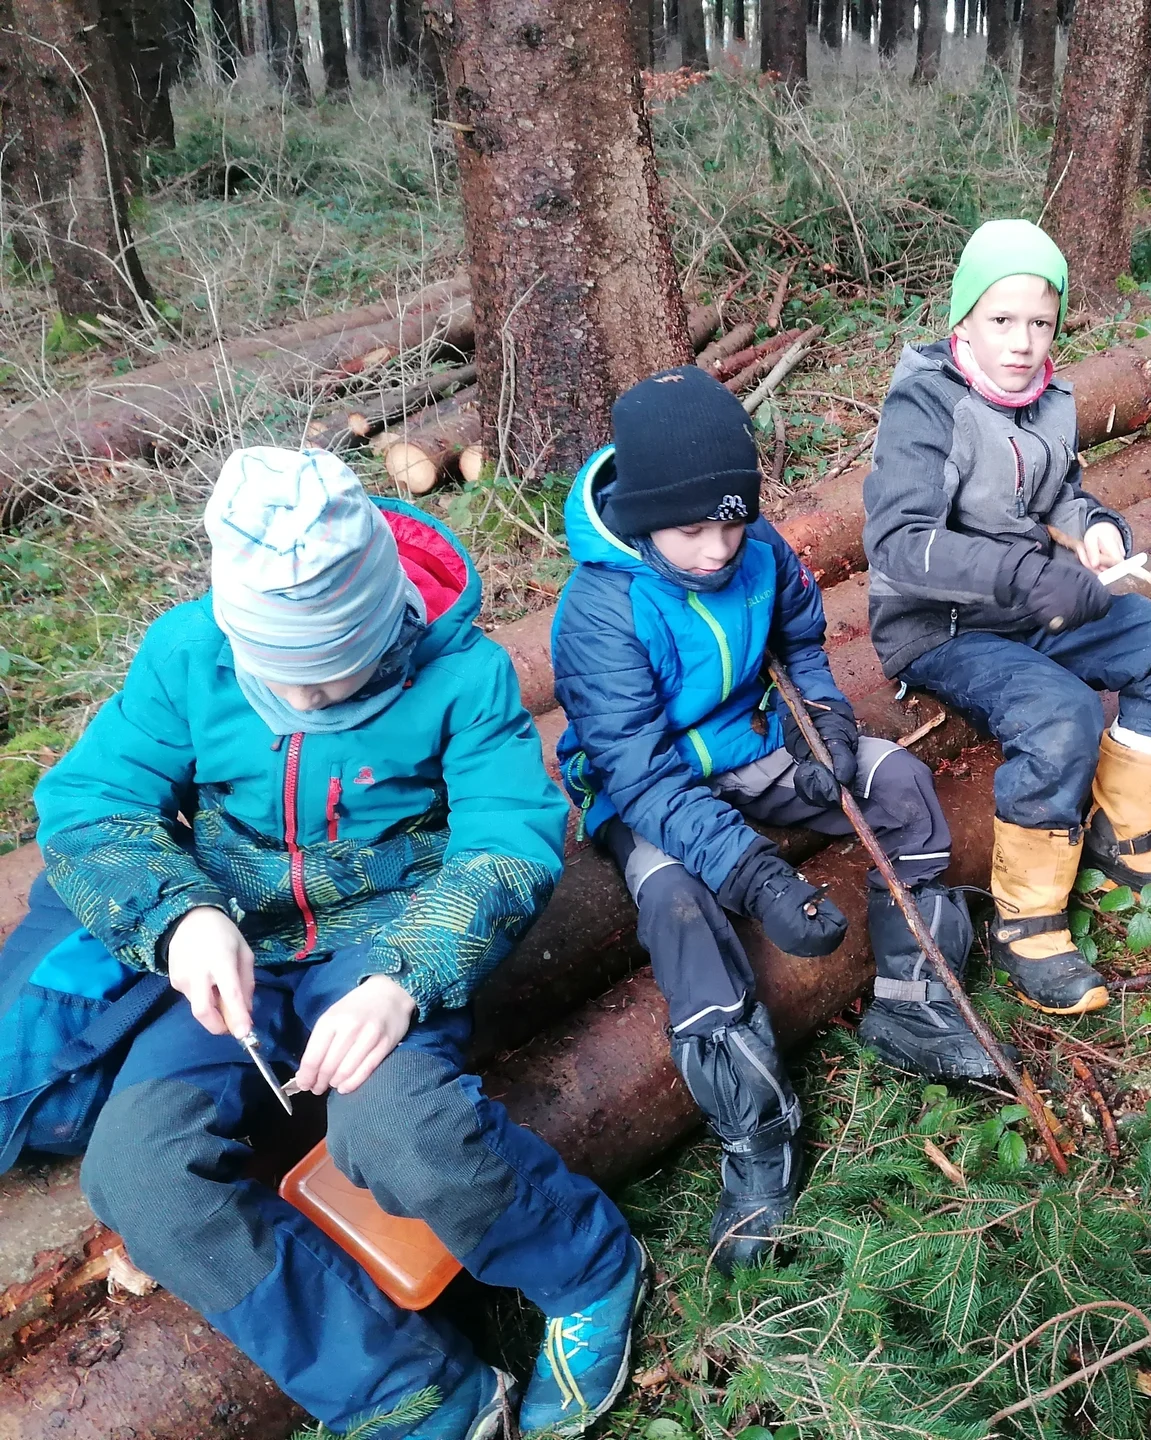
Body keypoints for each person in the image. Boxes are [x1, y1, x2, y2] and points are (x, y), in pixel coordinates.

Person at [25, 449, 643, 1440]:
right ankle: (411, 1393)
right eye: (280, 673)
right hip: (240, 947)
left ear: (384, 612)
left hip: (389, 938)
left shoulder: (463, 674)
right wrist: (182, 918)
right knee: (140, 1178)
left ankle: (587, 1269)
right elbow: (92, 804)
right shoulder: (189, 654)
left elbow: (508, 842)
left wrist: (407, 976)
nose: (306, 699)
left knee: (400, 1132)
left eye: (332, 671)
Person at [550, 366, 999, 1276]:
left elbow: (800, 643)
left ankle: (914, 1005)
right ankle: (756, 1138)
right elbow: (639, 771)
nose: (717, 549)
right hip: (644, 789)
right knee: (681, 907)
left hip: (750, 745)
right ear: (640, 517)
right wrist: (756, 875)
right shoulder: (599, 610)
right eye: (691, 530)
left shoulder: (760, 553)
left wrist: (826, 725)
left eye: (732, 521)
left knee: (899, 782)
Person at [862, 218, 1151, 1021]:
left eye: (1040, 321)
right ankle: (1027, 922)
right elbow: (897, 546)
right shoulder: (927, 405)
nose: (1022, 342)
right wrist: (1027, 573)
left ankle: (1124, 838)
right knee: (1062, 713)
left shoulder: (1048, 396)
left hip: (1032, 601)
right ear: (962, 319)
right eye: (1001, 320)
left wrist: (1093, 527)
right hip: (943, 625)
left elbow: (1059, 489)